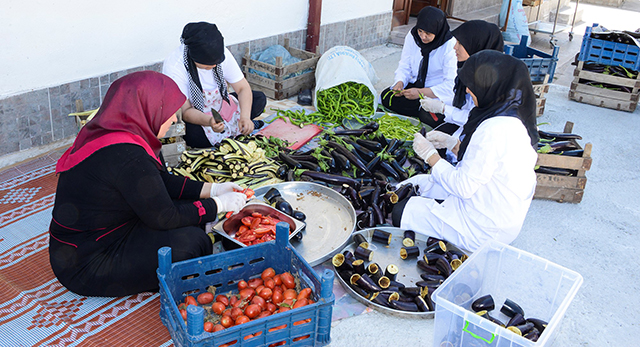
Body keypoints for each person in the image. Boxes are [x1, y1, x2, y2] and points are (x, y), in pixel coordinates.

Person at [49, 71, 248, 297]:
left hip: (109, 231)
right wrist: (217, 205)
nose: (175, 120)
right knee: (193, 242)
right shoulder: (128, 155)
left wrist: (212, 189)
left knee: (189, 214)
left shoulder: (117, 132)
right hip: (86, 262)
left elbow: (159, 182)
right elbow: (165, 216)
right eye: (171, 113)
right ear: (149, 108)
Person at [392, 51, 540, 252]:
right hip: (497, 208)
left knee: (400, 212)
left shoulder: (492, 130)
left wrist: (430, 156)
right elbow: (487, 162)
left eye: (474, 86)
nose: (469, 90)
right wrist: (452, 143)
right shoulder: (512, 119)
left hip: (483, 228)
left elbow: (463, 187)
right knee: (417, 183)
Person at [163, 22, 267, 148]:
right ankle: (234, 129)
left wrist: (245, 117)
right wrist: (210, 121)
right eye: (208, 65)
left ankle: (243, 124)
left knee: (259, 99)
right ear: (194, 57)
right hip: (197, 113)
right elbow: (186, 111)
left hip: (220, 105)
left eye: (216, 63)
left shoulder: (220, 52)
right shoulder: (175, 66)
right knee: (195, 137)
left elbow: (243, 88)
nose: (213, 66)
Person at [419, 20, 505, 137]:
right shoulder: (470, 68)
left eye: (460, 43)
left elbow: (477, 119)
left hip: (479, 135)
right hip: (463, 124)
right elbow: (463, 103)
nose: (455, 47)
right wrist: (438, 103)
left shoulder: (491, 80)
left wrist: (443, 108)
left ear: (476, 45)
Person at [379, 6, 457, 128]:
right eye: (420, 31)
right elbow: (405, 65)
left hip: (436, 92)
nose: (423, 36)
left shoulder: (449, 45)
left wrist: (420, 92)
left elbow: (450, 85)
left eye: (428, 33)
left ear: (438, 30)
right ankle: (415, 108)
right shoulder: (412, 36)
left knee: (428, 115)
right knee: (387, 96)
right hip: (416, 85)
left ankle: (418, 110)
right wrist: (400, 82)